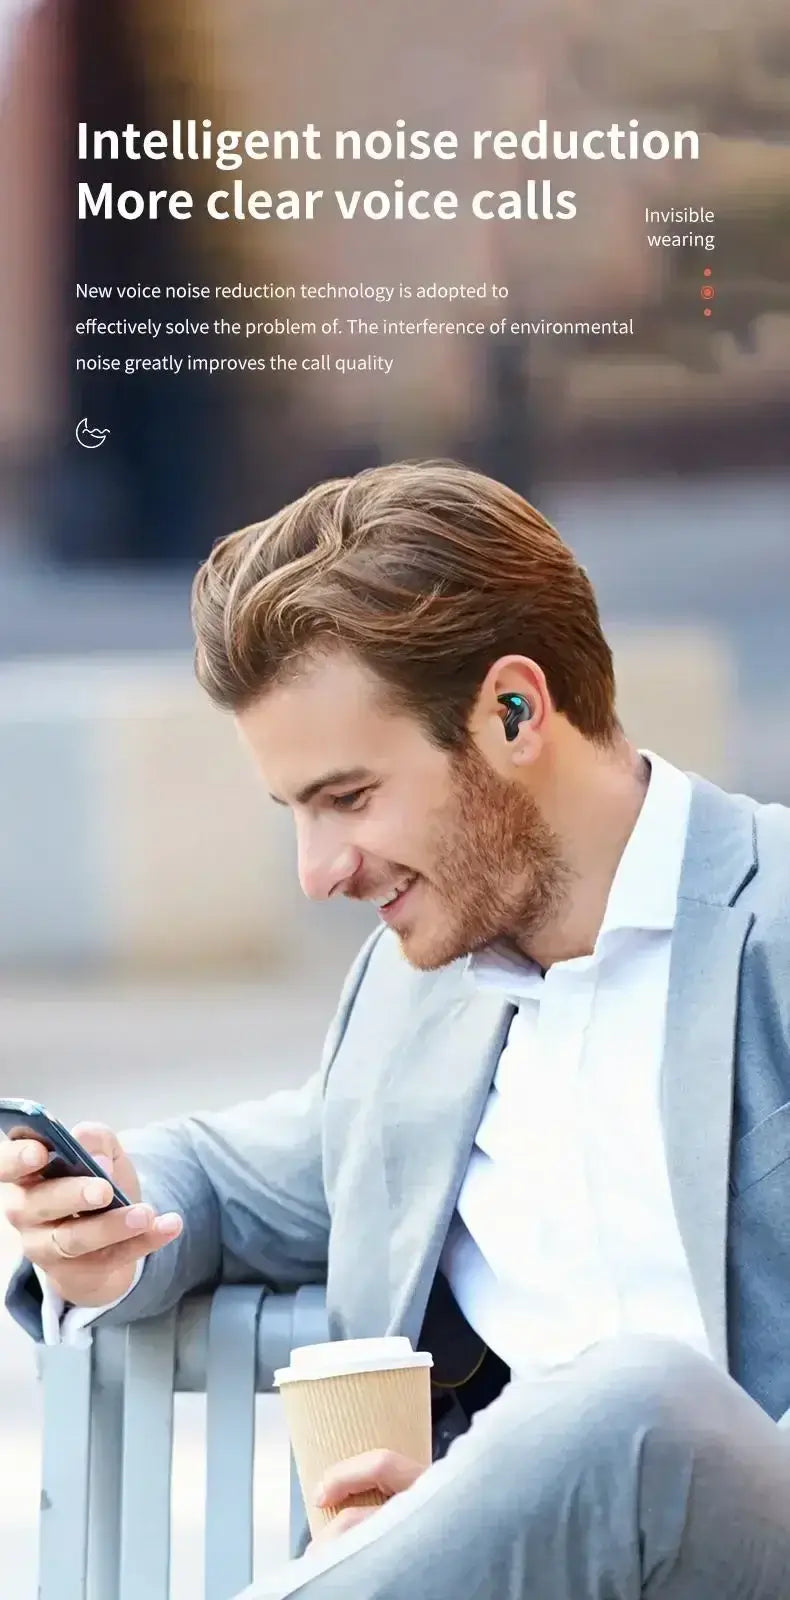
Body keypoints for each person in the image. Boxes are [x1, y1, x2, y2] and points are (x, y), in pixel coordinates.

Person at [4, 460, 790, 1599]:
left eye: (348, 798)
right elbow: (241, 1179)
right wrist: (103, 1214)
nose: (318, 873)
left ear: (513, 712)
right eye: (295, 812)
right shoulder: (418, 995)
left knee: (633, 1402)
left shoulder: (775, 918)